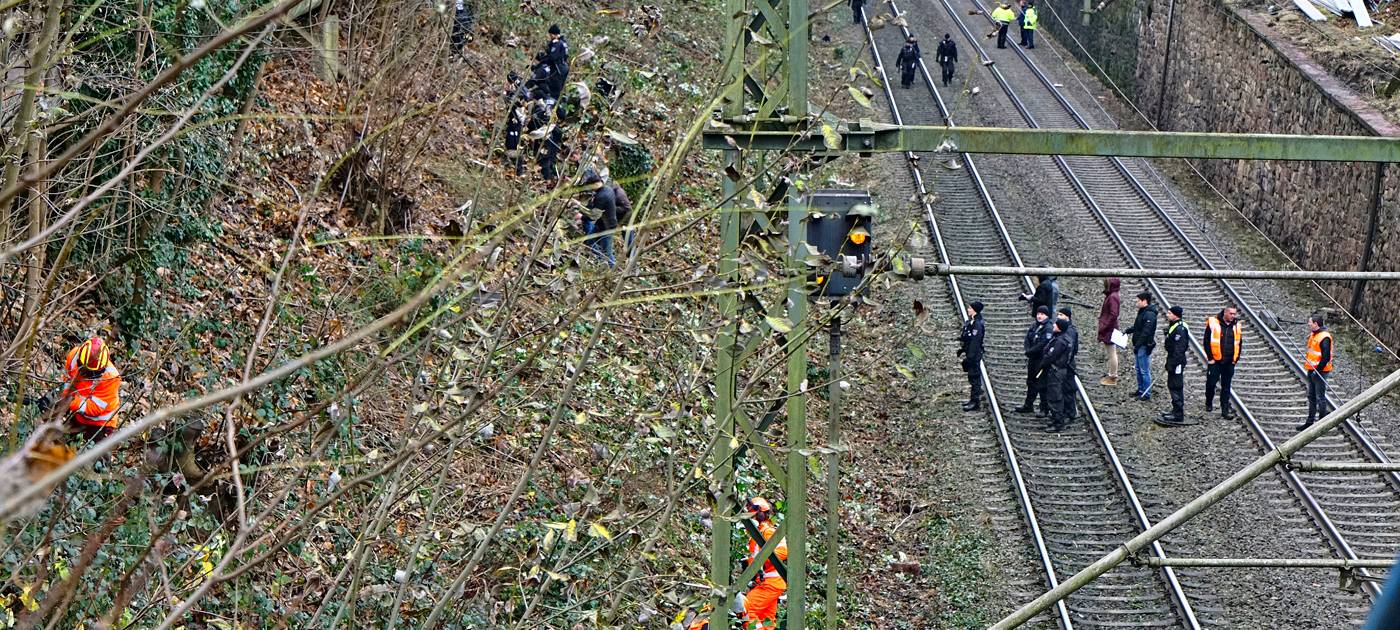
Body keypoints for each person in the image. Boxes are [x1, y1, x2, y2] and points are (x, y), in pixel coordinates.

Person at [60, 337, 122, 441]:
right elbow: (67, 380)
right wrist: (63, 396)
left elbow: (95, 408)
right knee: (64, 442)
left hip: (101, 423)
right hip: (79, 415)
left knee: (97, 455)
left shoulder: (111, 378)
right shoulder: (73, 356)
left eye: (90, 372)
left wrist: (69, 401)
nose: (85, 374)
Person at [742, 497, 788, 630]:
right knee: (767, 621)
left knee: (746, 611)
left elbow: (782, 551)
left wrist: (761, 563)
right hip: (767, 582)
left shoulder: (768, 531)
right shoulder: (758, 533)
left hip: (770, 583)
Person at [1204, 306, 1242, 420]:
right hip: (1215, 361)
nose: (1233, 316)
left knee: (1226, 387)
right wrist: (1210, 357)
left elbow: (1239, 343)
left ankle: (1224, 410)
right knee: (1211, 383)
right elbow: (1206, 341)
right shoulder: (1213, 323)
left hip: (1229, 361)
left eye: (1234, 314)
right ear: (1225, 312)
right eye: (1231, 313)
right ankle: (1208, 402)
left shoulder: (1236, 326)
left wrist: (1236, 359)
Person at [1015, 305, 1054, 415]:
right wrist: (1028, 350)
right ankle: (1028, 405)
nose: (1039, 316)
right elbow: (1028, 338)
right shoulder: (1035, 326)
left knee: (1041, 384)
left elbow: (1043, 344)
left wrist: (1031, 351)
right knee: (1031, 381)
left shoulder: (1048, 328)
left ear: (1046, 315)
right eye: (1038, 314)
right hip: (1033, 358)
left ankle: (1044, 408)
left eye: (1042, 314)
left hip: (1041, 359)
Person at [1298, 312, 1333, 431]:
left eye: (1310, 323)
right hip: (1312, 370)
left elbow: (1326, 357)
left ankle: (1321, 424)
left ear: (1315, 324)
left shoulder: (1324, 337)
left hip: (1320, 372)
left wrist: (1316, 371)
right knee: (1311, 396)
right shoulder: (1315, 334)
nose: (1308, 325)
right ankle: (1310, 421)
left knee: (1320, 397)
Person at [1040, 318, 1074, 432]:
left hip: (1055, 371)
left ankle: (1058, 422)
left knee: (1055, 397)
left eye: (1056, 324)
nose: (1053, 325)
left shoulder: (1060, 341)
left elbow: (1051, 355)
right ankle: (1056, 419)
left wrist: (1043, 364)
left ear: (1059, 327)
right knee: (1055, 395)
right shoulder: (1065, 338)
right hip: (1060, 370)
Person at [580, 169, 617, 266]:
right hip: (604, 224)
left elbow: (594, 215)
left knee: (607, 253)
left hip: (607, 227)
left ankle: (614, 270)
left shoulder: (601, 196)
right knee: (589, 242)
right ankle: (599, 260)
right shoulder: (608, 189)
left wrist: (579, 209)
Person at [1159, 305, 1189, 426]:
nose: (1167, 315)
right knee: (1172, 384)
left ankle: (1178, 414)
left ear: (1175, 315)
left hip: (1176, 361)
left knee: (1176, 385)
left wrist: (1172, 363)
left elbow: (1179, 349)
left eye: (1169, 313)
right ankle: (1175, 410)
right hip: (1173, 359)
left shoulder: (1180, 329)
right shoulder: (1175, 326)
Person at [1125, 292, 1158, 400]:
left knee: (1144, 370)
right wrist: (1129, 330)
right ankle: (1140, 390)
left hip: (1143, 346)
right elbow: (1138, 327)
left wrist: (1138, 345)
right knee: (1139, 369)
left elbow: (1146, 332)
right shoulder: (1143, 312)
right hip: (1139, 345)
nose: (1137, 302)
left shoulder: (1149, 314)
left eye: (1139, 300)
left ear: (1144, 301)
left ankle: (1146, 393)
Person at [957, 301, 986, 411]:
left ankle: (975, 402)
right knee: (972, 377)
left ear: (975, 310)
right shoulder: (972, 322)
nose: (968, 309)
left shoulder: (977, 324)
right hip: (971, 353)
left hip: (974, 355)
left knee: (975, 378)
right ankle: (973, 399)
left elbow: (975, 342)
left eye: (970, 308)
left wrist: (970, 357)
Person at [1056, 307, 1079, 422]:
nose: (1058, 317)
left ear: (1067, 316)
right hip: (1066, 363)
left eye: (1061, 314)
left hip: (1067, 364)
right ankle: (1067, 411)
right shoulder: (1067, 329)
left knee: (1068, 388)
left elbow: (1071, 349)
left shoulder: (1070, 330)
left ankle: (1070, 412)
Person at [1097, 277, 1121, 386]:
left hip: (1109, 329)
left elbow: (1114, 314)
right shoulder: (1112, 296)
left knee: (1112, 353)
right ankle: (1111, 374)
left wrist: (1105, 325)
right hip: (1109, 328)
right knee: (1111, 353)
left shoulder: (1112, 297)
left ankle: (1112, 376)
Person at [542, 24, 570, 101]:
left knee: (555, 91)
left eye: (550, 35)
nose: (550, 37)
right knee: (561, 90)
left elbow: (552, 57)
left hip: (558, 70)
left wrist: (543, 61)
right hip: (564, 68)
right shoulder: (564, 42)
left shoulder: (558, 44)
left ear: (553, 34)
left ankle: (554, 107)